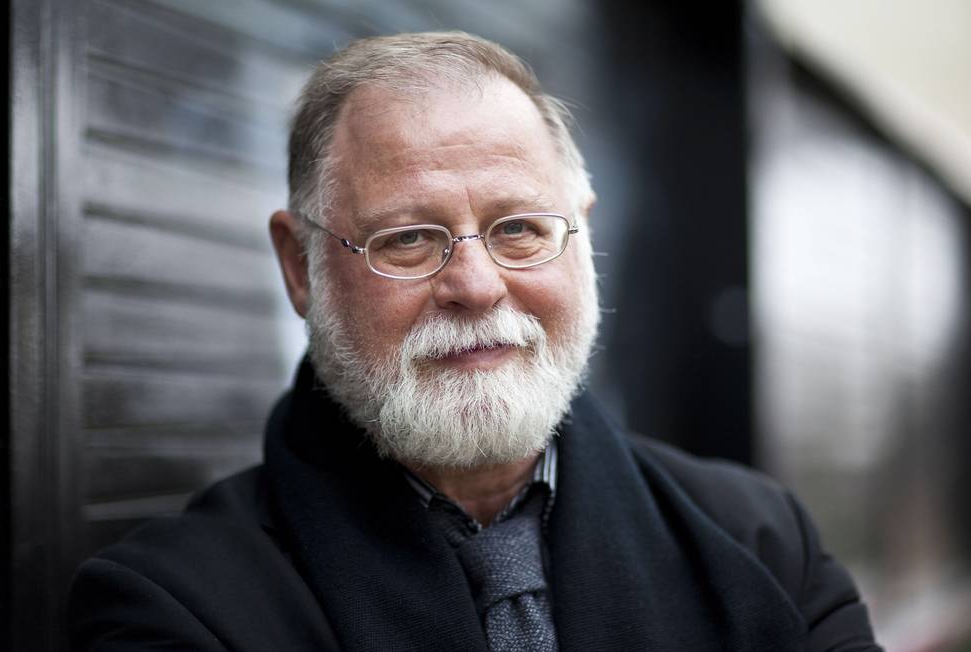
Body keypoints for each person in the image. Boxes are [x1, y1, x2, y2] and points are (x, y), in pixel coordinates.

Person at [68, 31, 881, 651]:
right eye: (409, 240)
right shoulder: (174, 608)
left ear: (583, 240)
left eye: (520, 229)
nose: (477, 286)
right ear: (300, 265)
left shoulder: (762, 542)